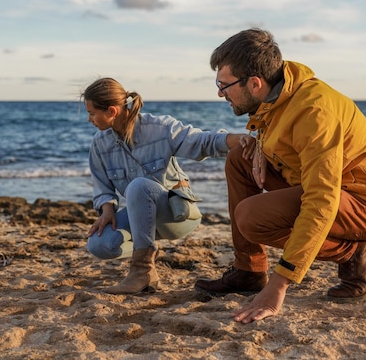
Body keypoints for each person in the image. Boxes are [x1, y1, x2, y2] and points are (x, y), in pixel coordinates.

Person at [194, 28, 366, 323]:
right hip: (329, 187)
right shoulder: (277, 94)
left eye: (223, 84)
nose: (220, 93)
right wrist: (260, 147)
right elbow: (289, 143)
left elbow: (322, 198)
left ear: (254, 83)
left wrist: (280, 283)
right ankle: (249, 270)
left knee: (250, 217)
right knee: (238, 159)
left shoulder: (314, 111)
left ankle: (357, 254)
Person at [83, 77, 246, 295]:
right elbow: (102, 185)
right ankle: (148, 263)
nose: (89, 119)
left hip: (176, 215)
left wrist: (240, 139)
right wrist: (106, 210)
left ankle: (140, 270)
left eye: (92, 113)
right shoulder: (100, 143)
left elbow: (202, 142)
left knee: (139, 186)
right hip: (141, 219)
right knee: (99, 244)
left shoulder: (160, 128)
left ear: (112, 111)